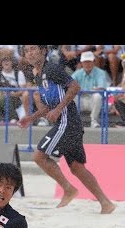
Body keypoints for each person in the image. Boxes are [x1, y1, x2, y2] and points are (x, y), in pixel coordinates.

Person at [18, 45, 115, 214]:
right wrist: (30, 118)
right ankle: (106, 203)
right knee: (77, 167)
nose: (30, 53)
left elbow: (75, 87)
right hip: (70, 123)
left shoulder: (52, 69)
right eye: (27, 51)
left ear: (43, 51)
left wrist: (58, 109)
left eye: (33, 49)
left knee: (39, 156)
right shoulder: (39, 74)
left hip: (67, 122)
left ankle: (68, 189)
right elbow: (48, 106)